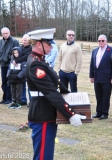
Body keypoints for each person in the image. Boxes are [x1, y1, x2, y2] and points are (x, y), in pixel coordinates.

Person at [26, 28, 86, 160]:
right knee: (43, 155)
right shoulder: (36, 64)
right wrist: (70, 114)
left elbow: (57, 83)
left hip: (47, 113)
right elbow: (51, 92)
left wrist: (72, 98)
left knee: (47, 153)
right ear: (38, 44)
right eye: (48, 43)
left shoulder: (41, 61)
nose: (52, 46)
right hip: (43, 115)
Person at [89, 34, 112, 120]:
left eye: (103, 41)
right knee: (98, 95)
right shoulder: (95, 51)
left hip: (107, 78)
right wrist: (91, 76)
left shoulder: (111, 50)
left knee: (106, 96)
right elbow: (92, 65)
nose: (101, 42)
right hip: (97, 77)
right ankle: (98, 112)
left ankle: (104, 113)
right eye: (99, 41)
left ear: (106, 41)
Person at [0, 27, 20, 104]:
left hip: (10, 65)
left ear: (9, 33)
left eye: (6, 33)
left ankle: (9, 98)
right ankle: (4, 97)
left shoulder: (14, 41)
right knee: (4, 81)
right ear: (2, 34)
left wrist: (13, 60)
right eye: (4, 33)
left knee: (9, 82)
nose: (5, 35)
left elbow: (17, 52)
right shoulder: (0, 42)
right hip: (2, 64)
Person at [12, 34, 32, 106]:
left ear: (29, 41)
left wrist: (17, 61)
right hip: (21, 69)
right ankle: (23, 99)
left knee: (30, 85)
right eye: (23, 40)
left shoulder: (31, 48)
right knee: (22, 84)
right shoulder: (20, 48)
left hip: (29, 68)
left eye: (26, 40)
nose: (24, 41)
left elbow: (27, 57)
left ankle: (31, 101)